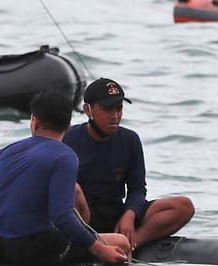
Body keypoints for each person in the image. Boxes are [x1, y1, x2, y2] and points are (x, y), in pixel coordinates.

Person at [0, 88, 130, 266]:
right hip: (31, 249)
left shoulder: (11, 150)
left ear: (35, 122)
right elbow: (62, 217)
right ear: (68, 125)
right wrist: (99, 250)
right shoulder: (65, 156)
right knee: (120, 242)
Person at [63, 78, 194, 250]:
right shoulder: (69, 139)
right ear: (88, 110)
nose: (115, 116)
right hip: (84, 216)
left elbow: (137, 189)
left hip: (117, 213)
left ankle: (131, 245)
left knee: (183, 206)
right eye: (107, 109)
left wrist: (129, 215)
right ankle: (97, 244)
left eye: (119, 109)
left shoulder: (130, 139)